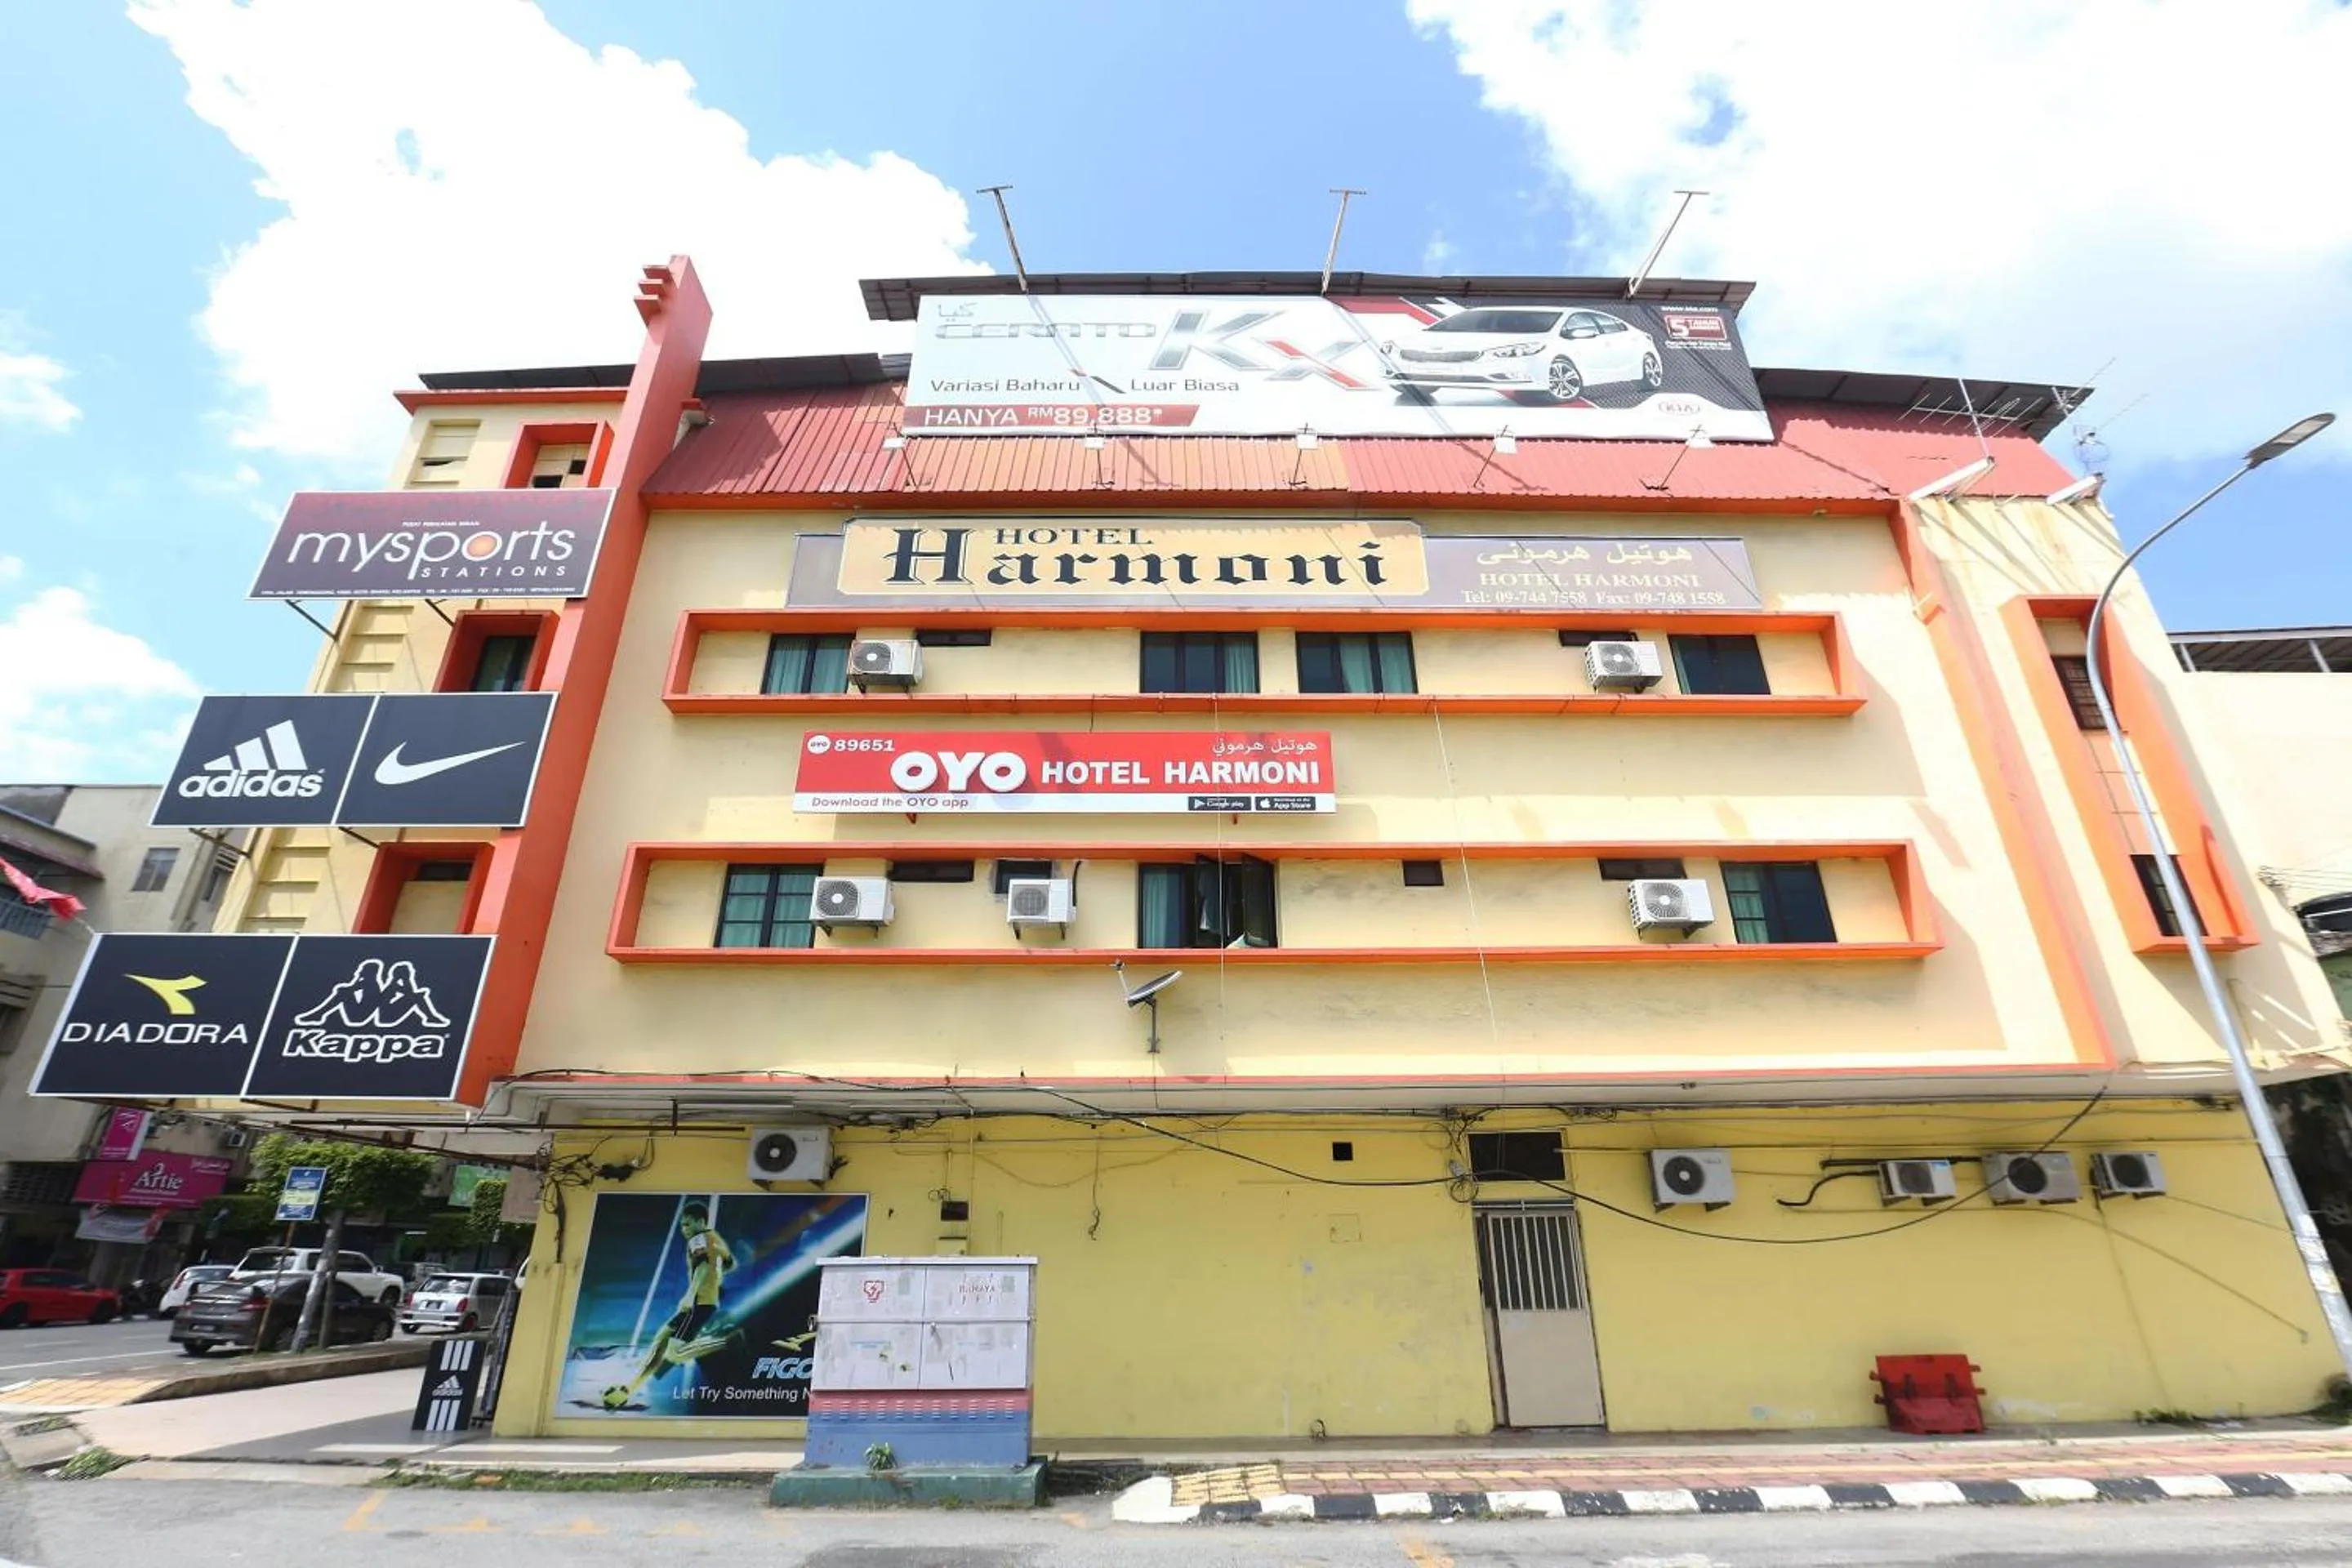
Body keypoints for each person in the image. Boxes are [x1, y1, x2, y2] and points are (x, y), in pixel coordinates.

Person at [600, 1200, 737, 1410]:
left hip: (699, 1303)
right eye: (683, 1225)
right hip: (706, 1302)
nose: (685, 1229)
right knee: (661, 1339)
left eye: (688, 1224)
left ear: (701, 1221)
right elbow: (729, 1263)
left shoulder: (698, 1239)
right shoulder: (715, 1239)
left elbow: (701, 1266)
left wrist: (690, 1295)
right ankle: (629, 1390)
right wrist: (715, 1278)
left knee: (674, 1353)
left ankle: (728, 1341)